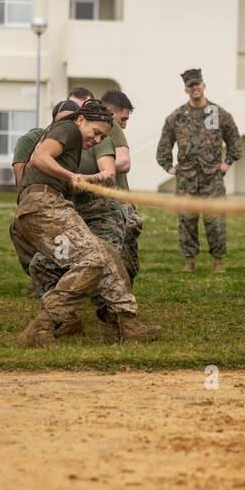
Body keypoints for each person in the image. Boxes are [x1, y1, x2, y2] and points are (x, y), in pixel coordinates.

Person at [13, 99, 160, 346]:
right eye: (96, 132)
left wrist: (90, 178)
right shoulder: (69, 128)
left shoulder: (71, 137)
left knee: (106, 254)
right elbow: (40, 158)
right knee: (92, 261)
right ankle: (42, 325)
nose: (97, 139)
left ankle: (125, 322)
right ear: (81, 120)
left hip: (50, 204)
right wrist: (72, 176)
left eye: (103, 137)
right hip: (42, 206)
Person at [156, 68, 242, 273]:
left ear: (204, 85)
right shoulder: (176, 116)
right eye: (190, 85)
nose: (194, 88)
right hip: (186, 179)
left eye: (197, 84)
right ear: (185, 89)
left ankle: (218, 262)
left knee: (215, 221)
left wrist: (227, 162)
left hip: (212, 178)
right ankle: (189, 260)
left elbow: (235, 142)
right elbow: (164, 145)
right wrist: (168, 166)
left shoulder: (219, 113)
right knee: (186, 220)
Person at [9, 100, 79, 276]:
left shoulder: (82, 140)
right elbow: (21, 176)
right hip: (45, 199)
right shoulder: (33, 139)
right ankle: (41, 278)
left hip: (75, 201)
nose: (66, 124)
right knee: (18, 228)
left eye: (71, 120)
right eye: (62, 119)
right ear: (53, 119)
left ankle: (60, 277)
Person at [100, 89, 142, 284]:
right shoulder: (110, 124)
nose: (123, 125)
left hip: (120, 200)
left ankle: (123, 292)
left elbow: (124, 162)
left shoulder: (113, 129)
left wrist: (97, 169)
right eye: (122, 118)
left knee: (125, 252)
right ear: (110, 112)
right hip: (100, 201)